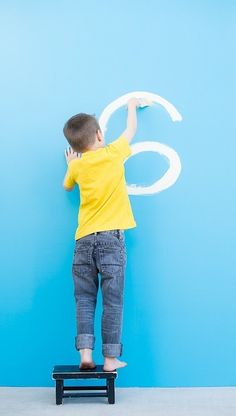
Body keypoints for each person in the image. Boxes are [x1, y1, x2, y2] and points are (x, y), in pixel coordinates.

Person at [62, 97, 152, 371]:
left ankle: (85, 356)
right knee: (112, 301)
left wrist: (70, 165)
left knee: (84, 299)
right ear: (100, 134)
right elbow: (130, 131)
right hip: (111, 241)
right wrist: (131, 107)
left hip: (83, 241)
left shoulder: (77, 166)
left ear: (74, 147)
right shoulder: (113, 153)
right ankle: (110, 360)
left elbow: (67, 186)